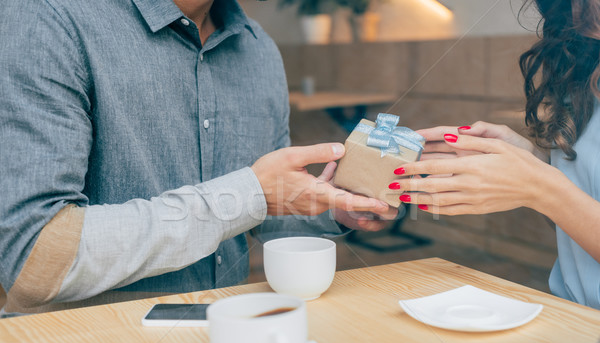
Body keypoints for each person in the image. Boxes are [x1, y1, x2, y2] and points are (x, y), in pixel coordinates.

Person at [0, 0, 396, 314]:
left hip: (226, 334)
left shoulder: (258, 48)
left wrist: (337, 209)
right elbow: (34, 259)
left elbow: (261, 219)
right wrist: (249, 194)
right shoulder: (47, 15)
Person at [391, 0, 600, 309]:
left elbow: (562, 199)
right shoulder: (585, 70)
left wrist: (543, 188)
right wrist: (531, 163)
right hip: (575, 318)